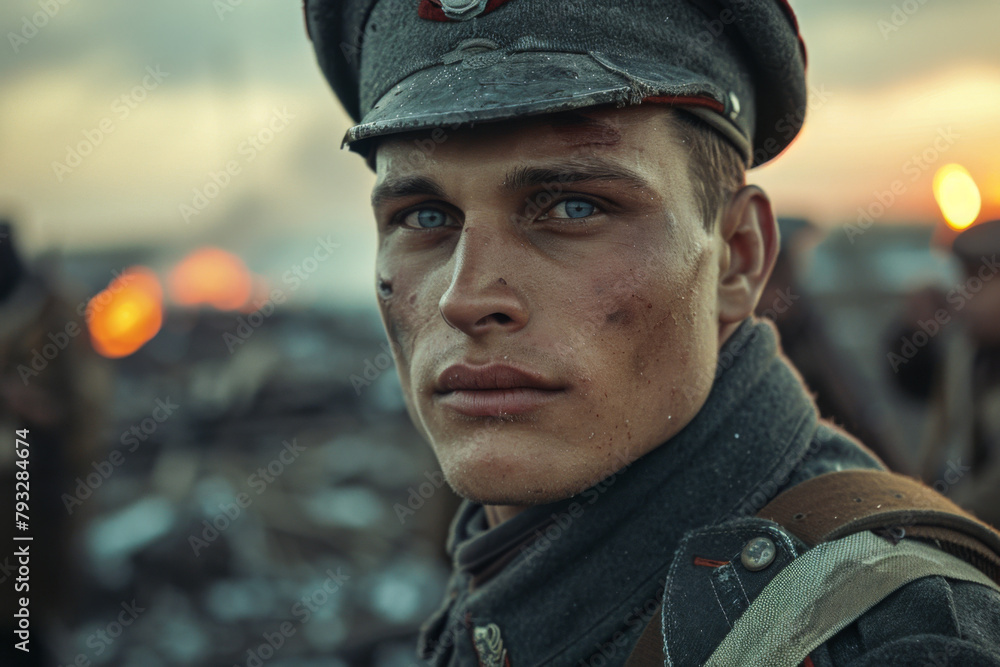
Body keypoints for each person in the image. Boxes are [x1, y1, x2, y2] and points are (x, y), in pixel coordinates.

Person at [303, 1, 1000, 664]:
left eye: (573, 207)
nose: (465, 297)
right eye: (424, 217)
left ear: (738, 256)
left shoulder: (896, 639)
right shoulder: (500, 576)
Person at [888, 218, 1000, 527]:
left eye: (978, 282)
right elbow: (913, 382)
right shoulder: (968, 350)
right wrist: (911, 332)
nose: (964, 296)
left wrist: (942, 521)